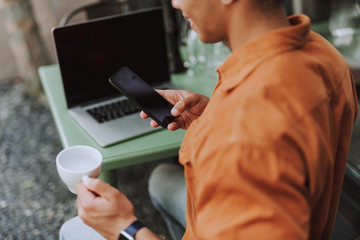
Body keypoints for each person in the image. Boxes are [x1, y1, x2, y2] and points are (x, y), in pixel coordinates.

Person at [59, 0, 359, 239]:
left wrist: (125, 228)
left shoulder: (240, 140)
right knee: (160, 179)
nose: (175, 3)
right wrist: (214, 113)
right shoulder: (325, 54)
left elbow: (251, 141)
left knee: (73, 231)